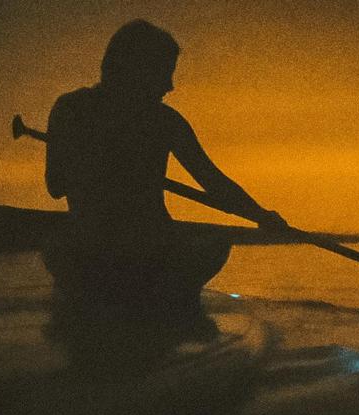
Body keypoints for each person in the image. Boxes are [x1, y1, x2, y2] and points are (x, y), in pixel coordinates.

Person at [44, 19, 287, 320]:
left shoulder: (68, 108)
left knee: (59, 245)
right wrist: (262, 216)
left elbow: (55, 187)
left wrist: (262, 216)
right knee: (216, 245)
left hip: (88, 252)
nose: (169, 86)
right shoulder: (164, 121)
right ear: (136, 70)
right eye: (164, 73)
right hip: (150, 254)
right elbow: (214, 183)